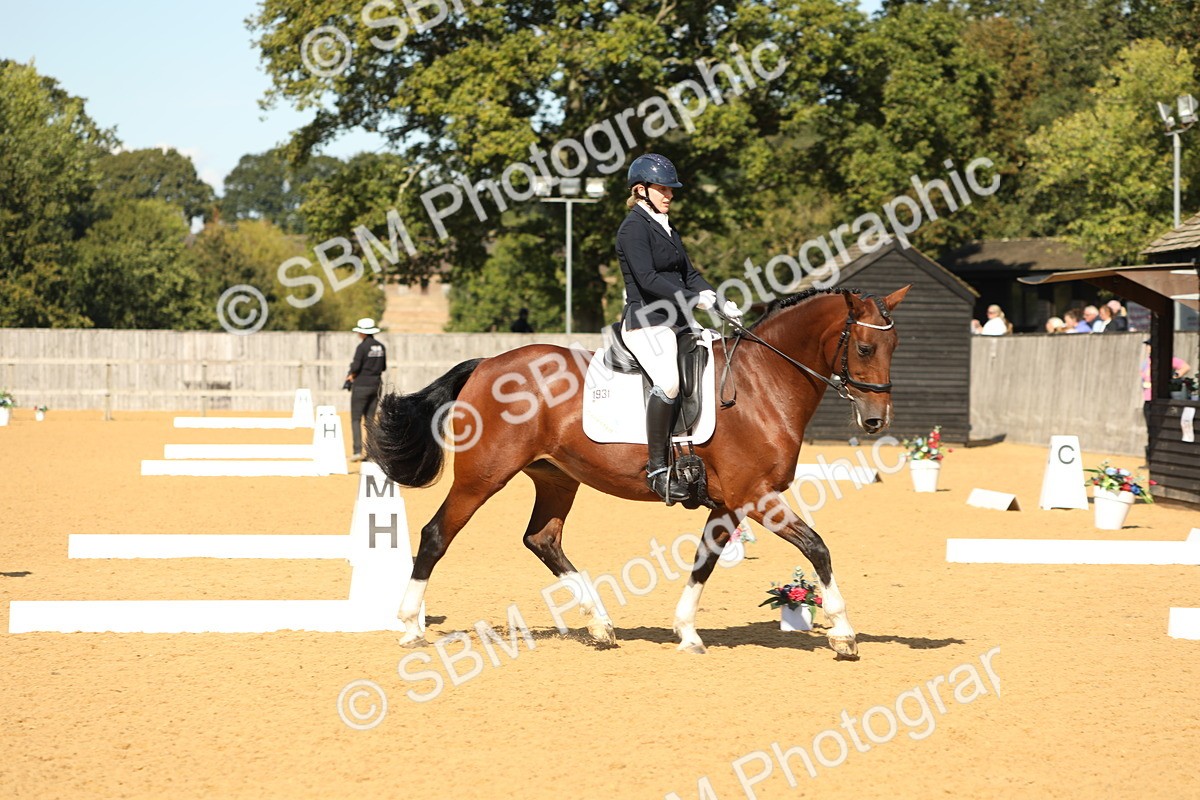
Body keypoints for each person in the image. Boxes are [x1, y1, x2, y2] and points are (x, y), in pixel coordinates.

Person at [616, 153, 740, 503]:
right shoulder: (633, 229)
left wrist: (715, 298)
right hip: (647, 322)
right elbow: (648, 279)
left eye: (671, 189)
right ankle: (656, 470)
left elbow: (689, 273)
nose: (669, 195)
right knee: (668, 381)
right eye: (662, 189)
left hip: (679, 321)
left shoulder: (667, 227)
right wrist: (692, 298)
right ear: (641, 190)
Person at [344, 317, 387, 462]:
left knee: (356, 419)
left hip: (361, 385)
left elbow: (356, 367)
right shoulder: (380, 347)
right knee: (370, 420)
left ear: (363, 333)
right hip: (376, 385)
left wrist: (350, 376)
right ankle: (372, 453)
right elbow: (383, 367)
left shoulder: (362, 347)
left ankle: (357, 451)